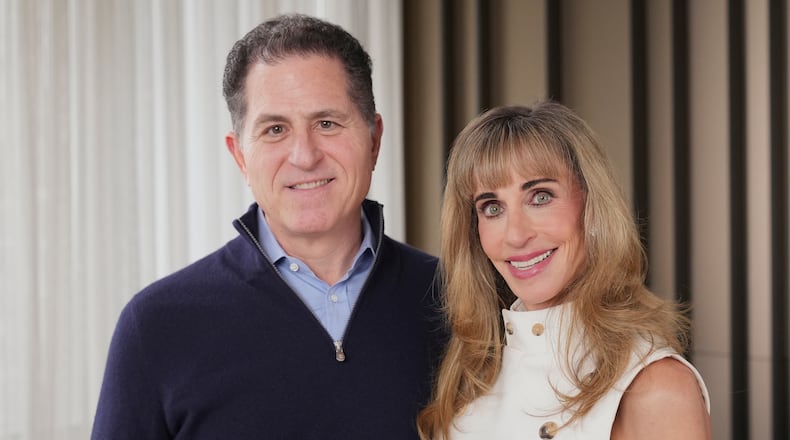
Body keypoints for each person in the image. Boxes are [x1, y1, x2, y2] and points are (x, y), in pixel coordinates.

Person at [91, 14, 445, 439]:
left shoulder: (458, 302)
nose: (304, 155)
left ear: (374, 138)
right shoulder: (155, 327)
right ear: (239, 156)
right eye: (275, 129)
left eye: (327, 123)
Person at [417, 102, 711, 439]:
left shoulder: (656, 388)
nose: (515, 235)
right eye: (492, 207)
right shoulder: (469, 374)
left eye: (540, 197)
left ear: (591, 204)